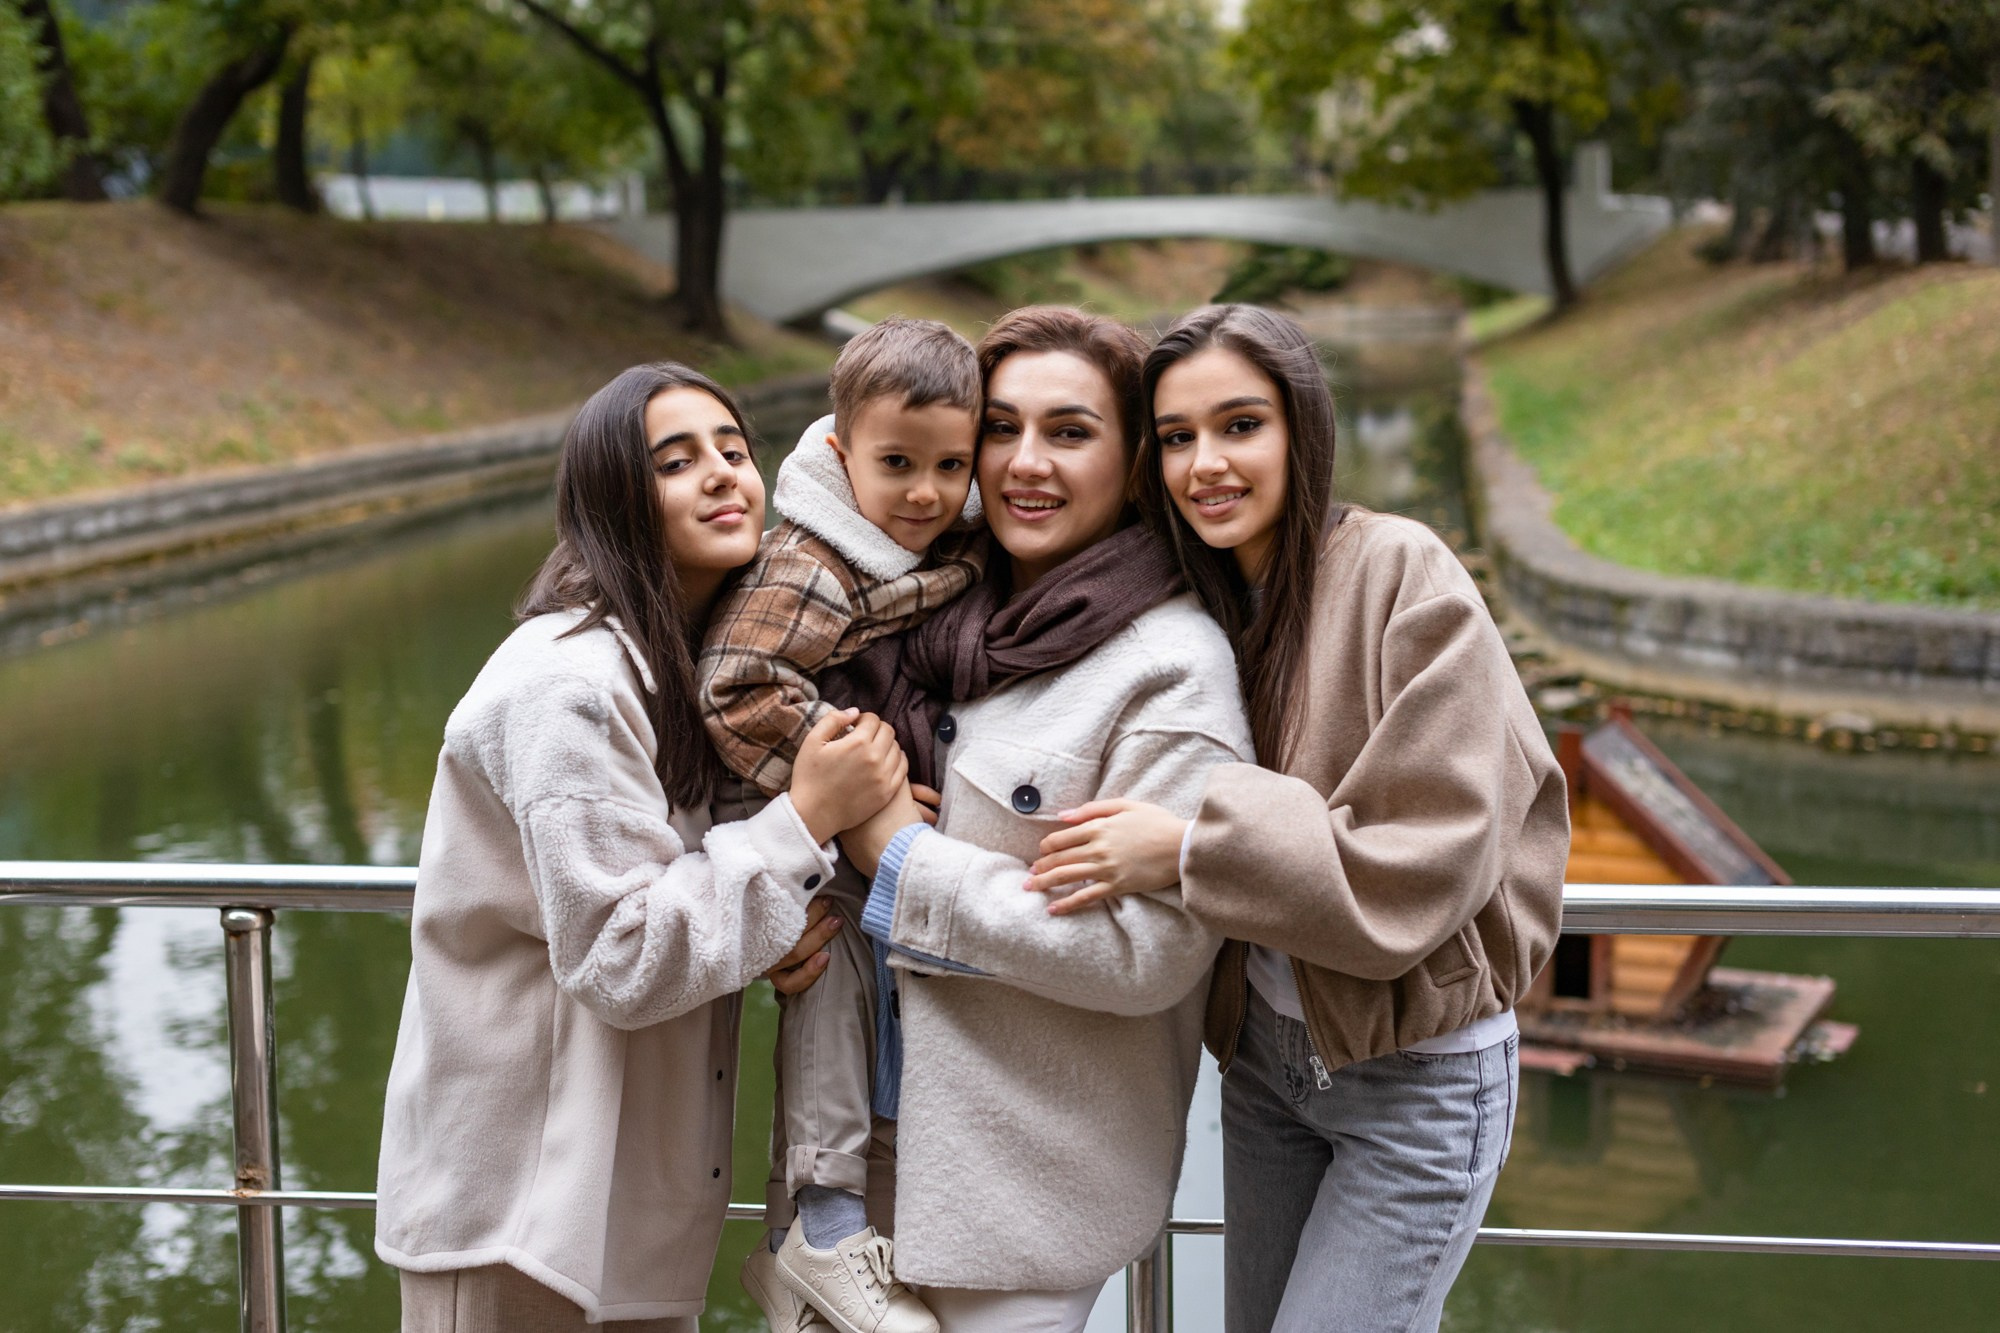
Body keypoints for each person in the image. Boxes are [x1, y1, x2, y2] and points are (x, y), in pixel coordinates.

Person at [1021, 304, 1570, 1333]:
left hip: (1416, 1081)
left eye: (1239, 426)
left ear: (1300, 429)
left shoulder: (1400, 573)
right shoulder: (1195, 605)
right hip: (1267, 1073)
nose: (1205, 465)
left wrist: (1188, 848)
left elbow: (1428, 861)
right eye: (1176, 438)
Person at [374, 363, 910, 1332]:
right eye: (675, 460)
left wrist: (772, 932)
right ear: (614, 500)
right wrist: (803, 821)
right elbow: (617, 948)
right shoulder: (567, 686)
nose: (720, 474)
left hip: (627, 1217)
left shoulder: (695, 676)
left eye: (733, 450)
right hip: (519, 1216)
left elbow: (673, 899)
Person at [835, 307, 1253, 1333]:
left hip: (1016, 1187)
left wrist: (896, 856)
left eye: (1068, 432)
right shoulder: (923, 606)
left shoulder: (1170, 670)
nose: (1024, 463)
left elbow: (1143, 956)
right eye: (1000, 427)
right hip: (857, 1158)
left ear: (1135, 460)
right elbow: (831, 453)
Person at [698, 318, 987, 1333]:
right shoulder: (811, 562)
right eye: (897, 463)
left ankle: (832, 1220)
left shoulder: (938, 546)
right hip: (800, 820)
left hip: (860, 840)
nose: (924, 491)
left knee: (869, 990)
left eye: (951, 465)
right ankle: (818, 1218)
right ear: (836, 453)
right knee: (826, 976)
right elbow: (735, 686)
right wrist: (859, 783)